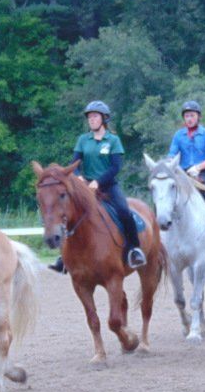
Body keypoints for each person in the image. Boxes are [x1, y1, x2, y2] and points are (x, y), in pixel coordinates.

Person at [49, 101, 147, 273]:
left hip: (108, 187)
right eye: (89, 117)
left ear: (104, 118)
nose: (91, 119)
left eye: (95, 116)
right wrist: (78, 176)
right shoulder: (83, 140)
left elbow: (115, 167)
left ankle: (134, 249)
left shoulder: (113, 140)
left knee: (124, 211)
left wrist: (99, 182)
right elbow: (75, 163)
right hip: (85, 188)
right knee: (67, 213)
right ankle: (64, 257)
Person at [167, 100, 205, 201]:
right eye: (186, 116)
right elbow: (171, 155)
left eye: (192, 115)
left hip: (203, 175)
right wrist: (170, 163)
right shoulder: (178, 135)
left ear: (199, 117)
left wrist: (198, 168)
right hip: (182, 176)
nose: (189, 119)